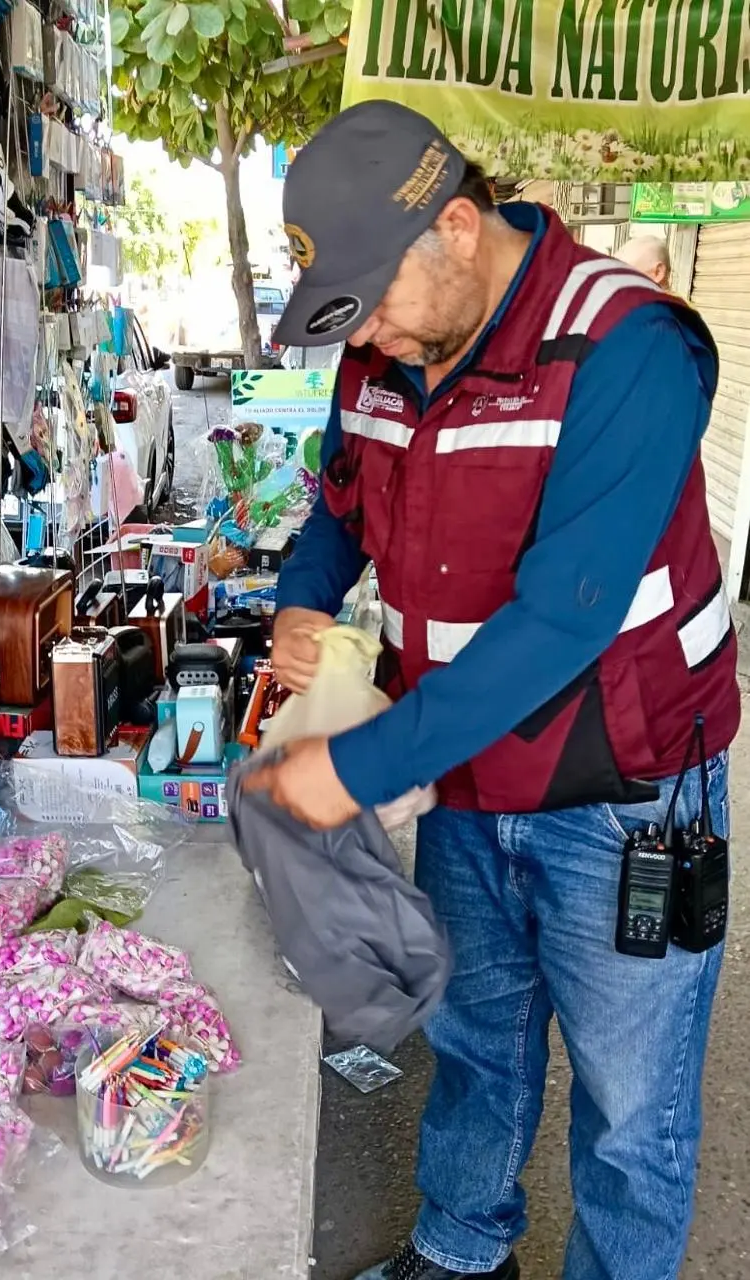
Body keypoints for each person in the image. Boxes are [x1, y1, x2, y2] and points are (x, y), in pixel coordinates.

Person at [253, 101, 739, 1280]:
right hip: (468, 773)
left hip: (623, 792)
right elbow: (339, 504)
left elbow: (559, 624)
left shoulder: (626, 346)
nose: (365, 342)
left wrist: (351, 766)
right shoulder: (388, 352)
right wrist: (301, 600)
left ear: (458, 227)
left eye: (374, 305)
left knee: (630, 1109)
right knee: (476, 1041)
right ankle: (462, 1246)